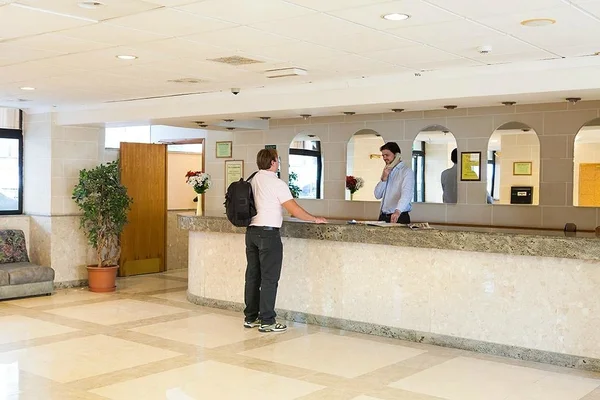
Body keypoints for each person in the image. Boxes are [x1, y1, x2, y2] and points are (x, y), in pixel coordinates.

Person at [244, 149, 327, 333]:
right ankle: (267, 321)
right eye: (278, 160)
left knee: (253, 276)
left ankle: (250, 317)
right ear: (273, 162)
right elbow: (294, 210)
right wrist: (314, 219)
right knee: (269, 278)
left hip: (251, 233)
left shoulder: (253, 179)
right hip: (268, 234)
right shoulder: (276, 183)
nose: (278, 162)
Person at [374, 142, 415, 224]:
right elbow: (377, 195)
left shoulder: (406, 171)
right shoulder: (386, 171)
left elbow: (406, 194)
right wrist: (384, 179)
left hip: (399, 216)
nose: (384, 158)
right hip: (383, 217)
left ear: (397, 155)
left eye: (387, 155)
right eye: (383, 156)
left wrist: (397, 211)